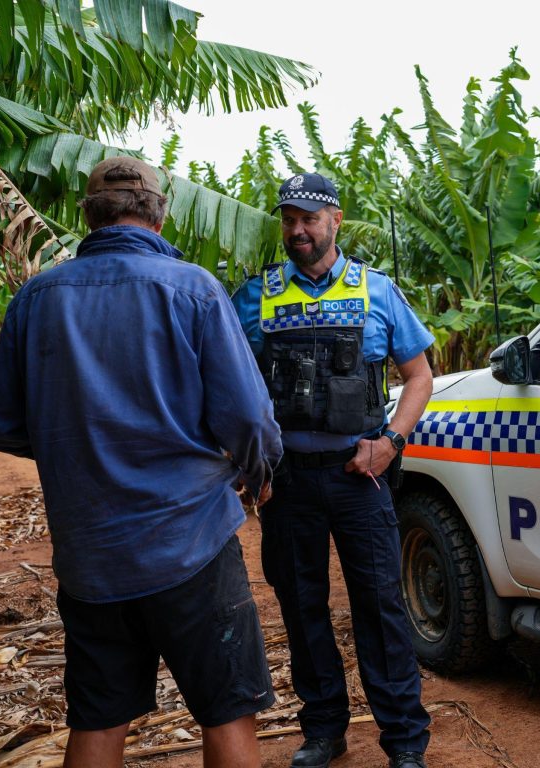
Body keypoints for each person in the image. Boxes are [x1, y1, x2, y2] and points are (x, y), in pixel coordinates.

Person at [0, 157, 282, 768]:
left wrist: (82, 447)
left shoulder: (38, 297)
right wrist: (257, 468)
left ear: (87, 215)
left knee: (98, 717)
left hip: (90, 556)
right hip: (191, 539)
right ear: (159, 211)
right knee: (226, 712)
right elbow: (249, 420)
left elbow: (0, 422)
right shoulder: (193, 289)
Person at [232, 173, 434, 768]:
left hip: (360, 475)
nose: (298, 230)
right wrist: (253, 465)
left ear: (335, 220)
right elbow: (232, 384)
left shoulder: (376, 289)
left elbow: (418, 376)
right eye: (288, 219)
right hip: (287, 481)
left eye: (309, 219)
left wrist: (392, 442)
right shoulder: (256, 295)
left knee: (380, 606)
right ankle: (323, 729)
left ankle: (403, 742)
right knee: (301, 606)